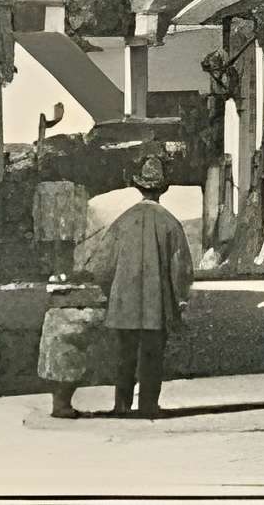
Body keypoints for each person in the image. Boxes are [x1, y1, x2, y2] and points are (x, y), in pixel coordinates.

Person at [74, 152, 194, 418]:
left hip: (123, 303)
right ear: (162, 190)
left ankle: (122, 405)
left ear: (139, 187)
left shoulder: (123, 221)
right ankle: (148, 406)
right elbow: (182, 269)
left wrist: (111, 292)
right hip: (157, 305)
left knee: (124, 355)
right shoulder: (170, 223)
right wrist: (180, 300)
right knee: (152, 356)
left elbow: (102, 266)